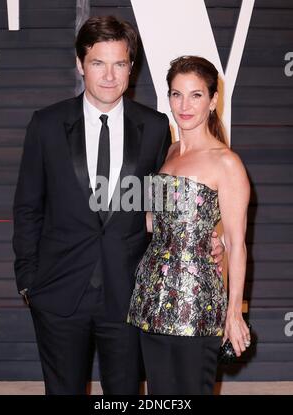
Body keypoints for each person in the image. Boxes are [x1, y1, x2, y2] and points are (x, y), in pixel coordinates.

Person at [13, 16, 224, 395]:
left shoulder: (156, 127)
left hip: (128, 292)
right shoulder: (46, 124)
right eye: (98, 63)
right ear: (80, 65)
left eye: (120, 64)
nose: (109, 76)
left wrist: (207, 237)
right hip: (58, 292)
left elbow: (166, 205)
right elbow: (28, 207)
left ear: (132, 68)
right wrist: (30, 282)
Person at [128, 56, 251, 395]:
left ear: (213, 101)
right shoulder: (169, 152)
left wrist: (234, 312)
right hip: (150, 302)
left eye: (196, 95)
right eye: (176, 94)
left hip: (197, 307)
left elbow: (237, 244)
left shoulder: (226, 162)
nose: (184, 105)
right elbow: (159, 222)